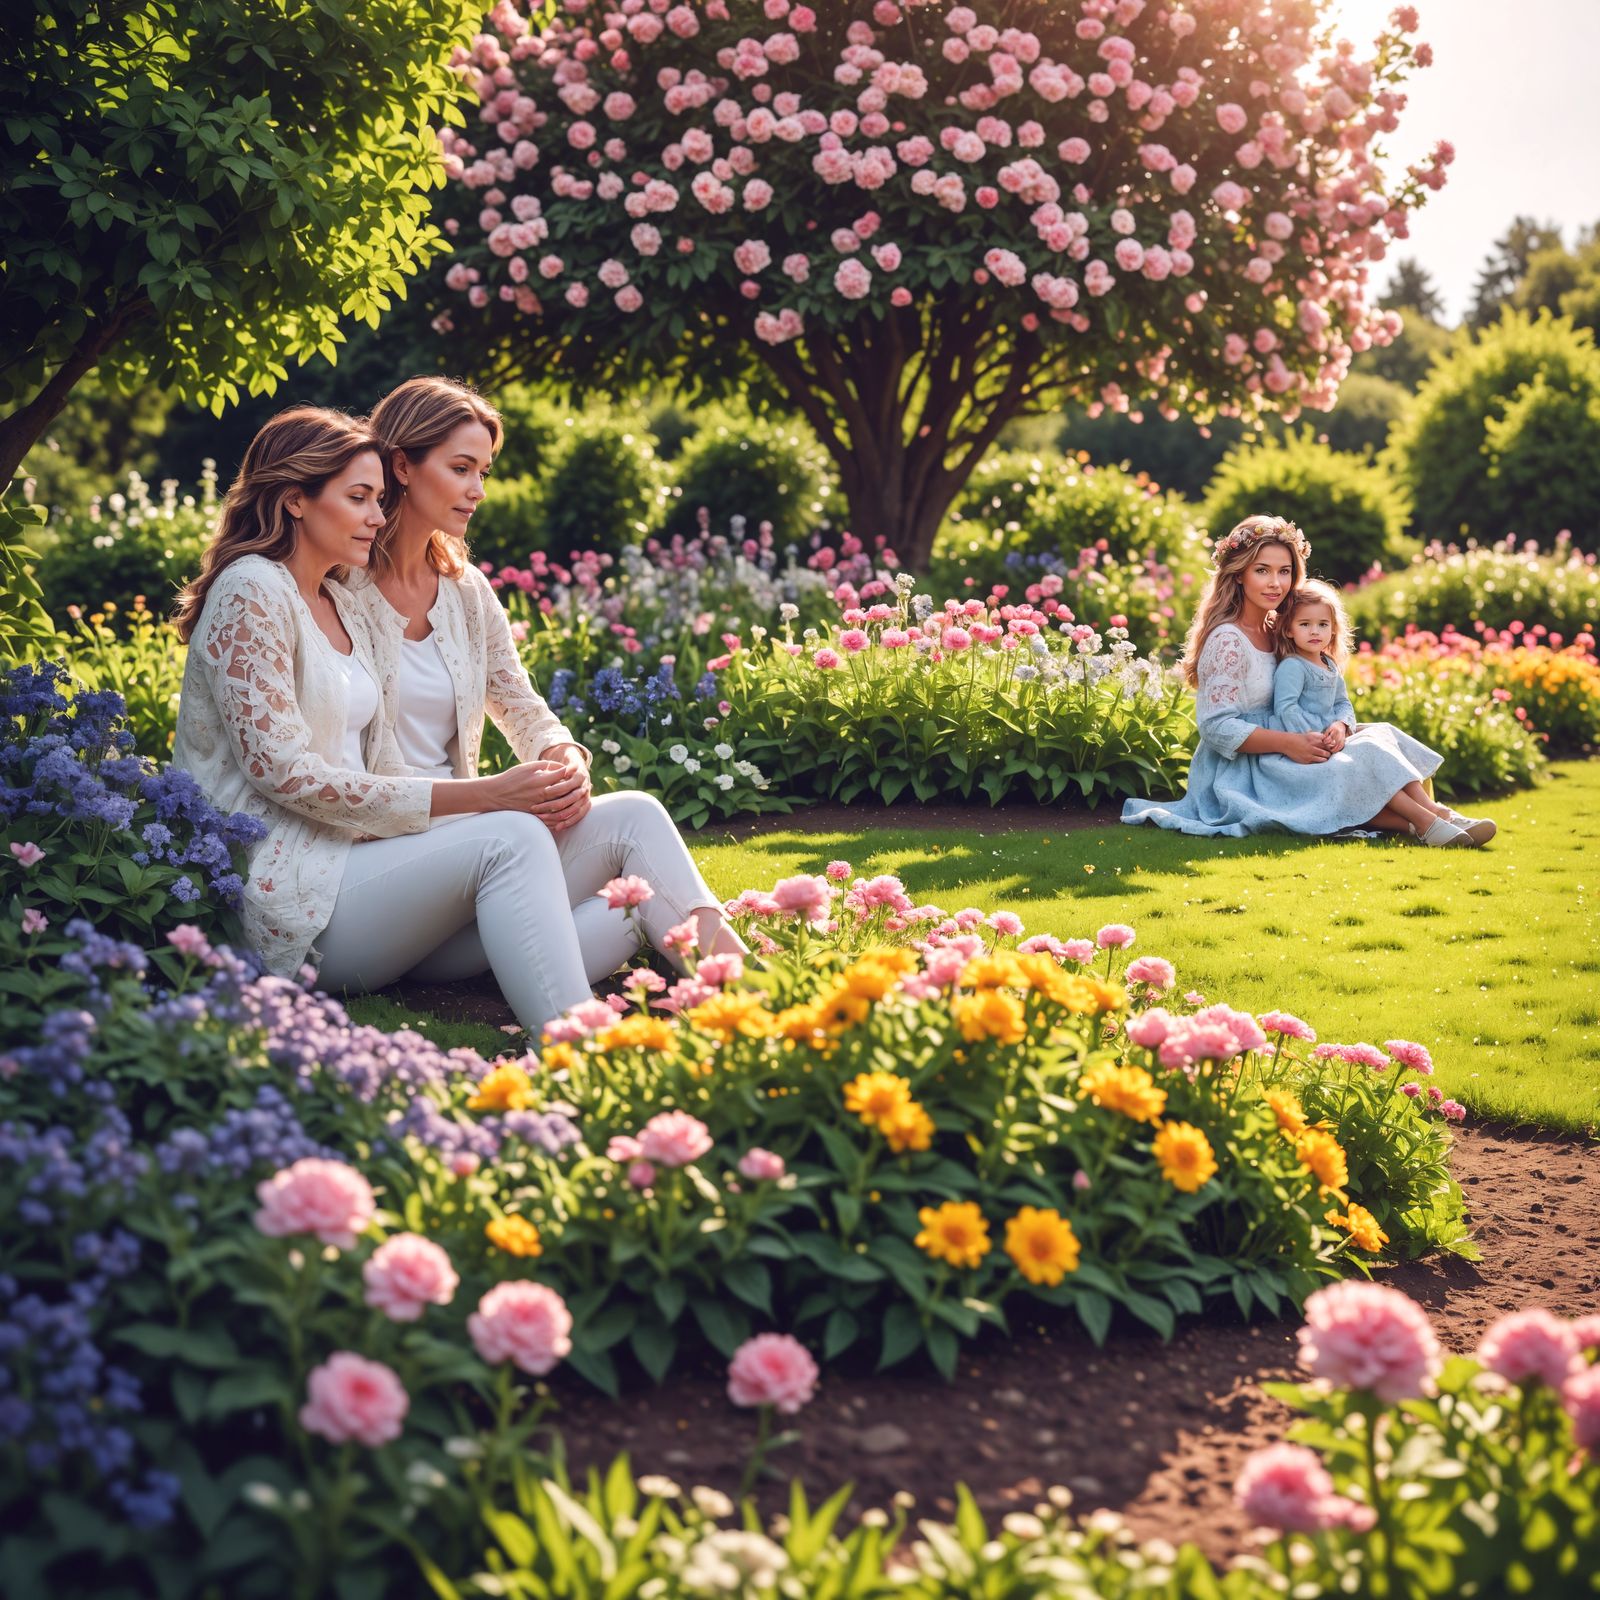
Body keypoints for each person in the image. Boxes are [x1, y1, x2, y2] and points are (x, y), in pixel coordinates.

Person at [171, 406, 649, 1027]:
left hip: (368, 869)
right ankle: (572, 1046)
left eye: (379, 497)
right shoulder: (252, 588)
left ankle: (737, 986)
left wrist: (531, 776)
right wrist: (490, 796)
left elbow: (383, 759)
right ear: (295, 500)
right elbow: (280, 772)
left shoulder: (338, 598)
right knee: (511, 836)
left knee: (629, 876)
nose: (378, 513)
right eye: (360, 497)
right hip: (291, 895)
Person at [341, 374, 744, 1021]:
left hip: (483, 867)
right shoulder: (340, 589)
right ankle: (568, 1026)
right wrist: (499, 795)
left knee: (635, 815)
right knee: (534, 849)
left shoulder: (465, 589)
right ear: (402, 467)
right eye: (461, 468)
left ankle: (752, 991)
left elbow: (519, 700)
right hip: (388, 884)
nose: (478, 489)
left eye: (484, 471)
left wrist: (563, 756)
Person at [1121, 516, 1486, 844]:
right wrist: (1290, 744)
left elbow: (1320, 693)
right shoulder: (1228, 640)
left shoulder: (1279, 627)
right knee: (1350, 766)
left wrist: (1340, 726)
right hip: (1245, 768)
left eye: (1284, 571)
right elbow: (1216, 727)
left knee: (1379, 736)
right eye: (1262, 570)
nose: (1275, 583)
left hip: (1295, 740)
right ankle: (1427, 824)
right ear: (1238, 574)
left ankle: (1438, 818)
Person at [1272, 580, 1495, 844]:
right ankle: (1430, 821)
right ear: (1288, 630)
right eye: (1304, 624)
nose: (1314, 631)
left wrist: (1341, 725)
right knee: (1369, 750)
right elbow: (1286, 708)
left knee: (1383, 732)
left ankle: (1434, 811)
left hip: (1332, 737)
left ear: (1333, 630)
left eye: (1323, 624)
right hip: (1310, 746)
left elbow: (1343, 704)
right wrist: (1315, 738)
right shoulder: (1293, 667)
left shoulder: (1328, 664)